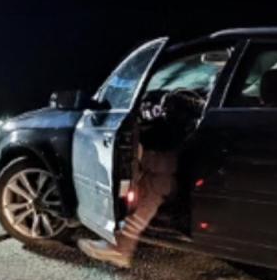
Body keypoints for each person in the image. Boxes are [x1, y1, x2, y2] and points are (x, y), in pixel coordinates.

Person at [77, 89, 205, 268]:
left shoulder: (182, 134)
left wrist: (138, 160)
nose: (162, 113)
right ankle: (121, 245)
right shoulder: (185, 125)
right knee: (150, 183)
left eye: (166, 111)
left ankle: (121, 247)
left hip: (180, 182)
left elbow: (168, 164)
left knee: (153, 187)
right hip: (181, 178)